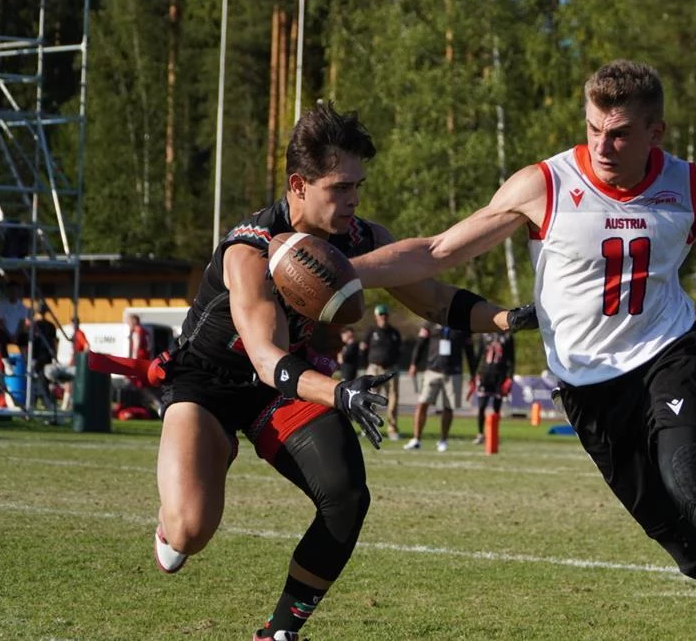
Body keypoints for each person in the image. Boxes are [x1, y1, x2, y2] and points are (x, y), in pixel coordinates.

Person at [350, 60, 696, 639]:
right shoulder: (544, 184)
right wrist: (342, 273)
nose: (603, 144)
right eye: (594, 128)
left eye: (620, 133)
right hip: (588, 389)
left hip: (667, 358)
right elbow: (435, 251)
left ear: (657, 133)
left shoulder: (689, 184)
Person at [152, 102, 530, 641]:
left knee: (347, 494)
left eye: (358, 185)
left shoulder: (359, 237)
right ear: (299, 185)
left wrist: (507, 319)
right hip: (210, 384)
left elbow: (434, 296)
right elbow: (264, 356)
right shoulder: (249, 250)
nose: (353, 199)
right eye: (339, 187)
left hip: (281, 389)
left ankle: (279, 632)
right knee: (189, 531)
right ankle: (179, 507)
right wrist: (342, 393)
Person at [404, 321, 476, 452]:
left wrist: (473, 374)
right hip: (432, 370)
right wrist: (414, 363)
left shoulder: (462, 325)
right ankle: (416, 439)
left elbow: (469, 351)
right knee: (422, 403)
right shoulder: (431, 322)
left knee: (448, 407)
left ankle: (443, 440)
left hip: (453, 372)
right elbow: (420, 343)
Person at [360, 304, 403, 439]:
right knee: (371, 398)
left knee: (393, 399)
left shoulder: (394, 332)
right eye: (381, 314)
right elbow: (363, 350)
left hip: (391, 369)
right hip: (374, 368)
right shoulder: (371, 331)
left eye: (385, 314)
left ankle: (392, 429)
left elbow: (399, 350)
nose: (383, 317)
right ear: (376, 316)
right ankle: (369, 427)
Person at [470, 329, 515, 444]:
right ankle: (480, 434)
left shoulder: (507, 337)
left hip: (500, 376)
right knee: (481, 407)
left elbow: (511, 359)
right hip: (485, 374)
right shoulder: (484, 335)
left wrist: (510, 377)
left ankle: (494, 434)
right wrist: (473, 376)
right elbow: (478, 356)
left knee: (496, 408)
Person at [0, 281, 31, 356]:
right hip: (5, 332)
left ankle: (25, 359)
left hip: (17, 333)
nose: (13, 293)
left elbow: (21, 323)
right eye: (11, 290)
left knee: (26, 338)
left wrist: (16, 335)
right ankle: (4, 361)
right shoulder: (1, 305)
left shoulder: (22, 307)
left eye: (15, 291)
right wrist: (9, 334)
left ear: (18, 292)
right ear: (8, 292)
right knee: (0, 337)